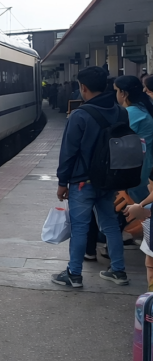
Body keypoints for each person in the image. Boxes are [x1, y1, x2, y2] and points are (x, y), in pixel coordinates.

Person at [53, 66, 129, 287]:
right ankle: (118, 271)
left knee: (80, 227)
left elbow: (68, 152)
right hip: (109, 180)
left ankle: (74, 274)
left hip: (82, 182)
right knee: (111, 225)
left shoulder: (79, 115)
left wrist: (62, 182)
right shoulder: (121, 112)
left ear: (83, 87)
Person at [114, 76, 153, 206]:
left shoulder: (131, 112)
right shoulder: (144, 108)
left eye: (116, 91)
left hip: (136, 166)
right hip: (145, 163)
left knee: (138, 203)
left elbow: (118, 139)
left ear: (124, 93)